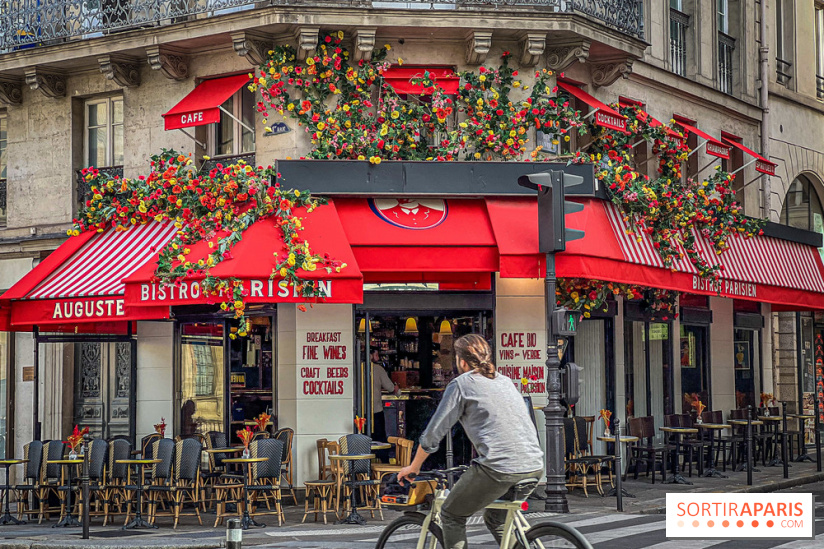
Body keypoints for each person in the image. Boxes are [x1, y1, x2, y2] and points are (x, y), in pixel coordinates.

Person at [398, 334, 544, 549]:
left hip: (498, 468)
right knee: (496, 519)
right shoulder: (505, 381)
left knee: (450, 514)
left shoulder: (461, 384)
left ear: (462, 361)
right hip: (534, 466)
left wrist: (414, 466)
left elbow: (433, 433)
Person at [371, 349, 398, 446]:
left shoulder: (357, 367)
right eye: (376, 354)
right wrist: (396, 389)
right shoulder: (378, 369)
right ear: (371, 355)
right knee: (380, 440)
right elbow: (390, 388)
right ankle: (382, 460)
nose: (378, 357)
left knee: (363, 441)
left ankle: (365, 460)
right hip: (376, 410)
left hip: (360, 411)